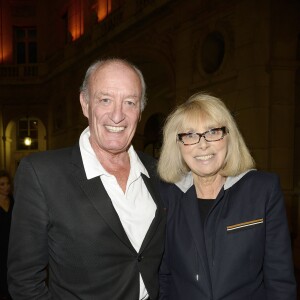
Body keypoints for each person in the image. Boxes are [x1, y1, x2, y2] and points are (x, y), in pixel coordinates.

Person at [8, 58, 166, 300]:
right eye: (105, 100)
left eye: (130, 102)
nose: (117, 115)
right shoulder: (42, 174)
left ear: (140, 110)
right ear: (85, 103)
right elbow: (25, 281)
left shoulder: (158, 171)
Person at [157, 92, 297, 299]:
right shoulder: (167, 195)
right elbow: (163, 276)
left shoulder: (262, 190)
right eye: (190, 135)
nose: (202, 144)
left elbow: (279, 279)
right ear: (176, 145)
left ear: (229, 137)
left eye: (213, 132)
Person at [0, 170, 13, 300]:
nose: (6, 187)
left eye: (8, 183)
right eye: (2, 184)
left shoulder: (15, 201)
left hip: (13, 246)